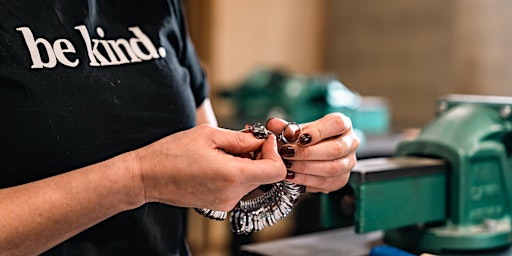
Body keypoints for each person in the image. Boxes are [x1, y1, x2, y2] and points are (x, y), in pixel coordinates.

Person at [0, 0, 359, 255]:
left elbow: (210, 167)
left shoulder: (157, 7)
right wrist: (140, 178)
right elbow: (158, 172)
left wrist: (295, 162)